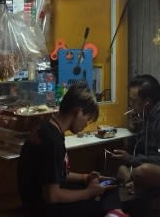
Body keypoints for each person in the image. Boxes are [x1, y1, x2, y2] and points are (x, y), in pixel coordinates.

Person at [17, 82, 120, 217]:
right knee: (101, 203)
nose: (86, 125)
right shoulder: (52, 141)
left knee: (108, 188)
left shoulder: (48, 127)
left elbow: (55, 173)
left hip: (41, 198)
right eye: (87, 119)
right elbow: (52, 196)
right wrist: (89, 192)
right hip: (44, 207)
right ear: (77, 112)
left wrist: (84, 178)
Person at [109, 74, 160, 196]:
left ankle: (131, 183)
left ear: (147, 102)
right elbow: (141, 148)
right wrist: (136, 128)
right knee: (115, 162)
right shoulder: (150, 114)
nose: (131, 105)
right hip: (153, 161)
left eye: (134, 101)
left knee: (142, 171)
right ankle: (131, 183)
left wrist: (131, 159)